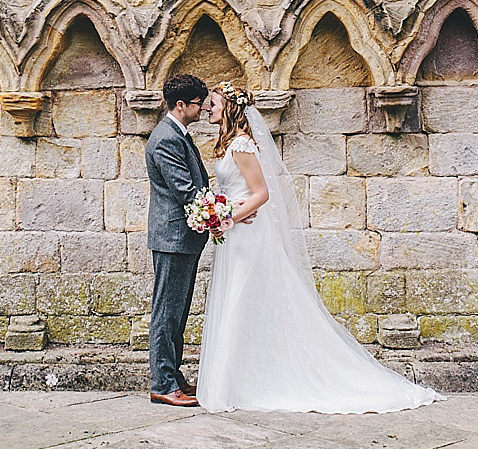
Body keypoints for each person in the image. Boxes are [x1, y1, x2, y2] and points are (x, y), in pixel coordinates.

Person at [196, 81, 445, 413]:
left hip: (246, 234)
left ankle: (239, 383)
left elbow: (261, 193)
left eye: (212, 103)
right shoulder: (229, 144)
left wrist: (225, 217)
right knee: (238, 299)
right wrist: (221, 213)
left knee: (242, 297)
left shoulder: (241, 145)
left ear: (229, 107)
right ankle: (238, 378)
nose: (207, 108)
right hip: (236, 233)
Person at [144, 74, 224, 407]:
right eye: (197, 104)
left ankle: (174, 377)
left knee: (177, 313)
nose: (201, 109)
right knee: (167, 313)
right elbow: (184, 189)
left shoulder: (178, 135)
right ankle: (162, 383)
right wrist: (220, 215)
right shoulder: (166, 139)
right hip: (173, 237)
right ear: (181, 105)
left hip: (182, 238)